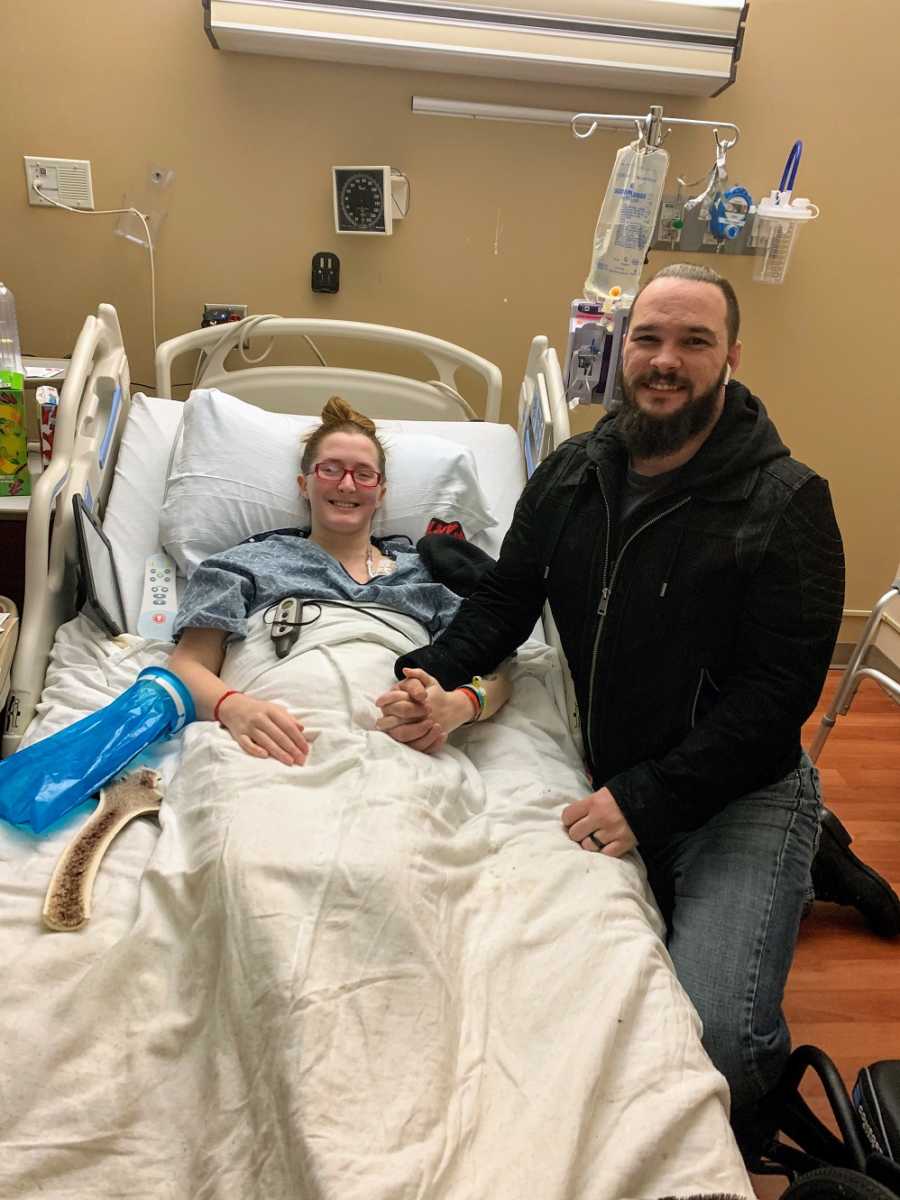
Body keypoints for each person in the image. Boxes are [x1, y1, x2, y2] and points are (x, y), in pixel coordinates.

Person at [383, 262, 852, 1156]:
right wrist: (426, 674)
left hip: (738, 795)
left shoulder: (786, 503)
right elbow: (503, 602)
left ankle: (805, 849)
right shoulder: (570, 476)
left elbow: (776, 701)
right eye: (648, 338)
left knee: (714, 1037)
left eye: (693, 341)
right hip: (613, 770)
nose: (665, 360)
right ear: (619, 350)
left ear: (732, 358)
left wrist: (646, 801)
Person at [169, 396, 510, 758]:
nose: (347, 485)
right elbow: (186, 664)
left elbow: (500, 674)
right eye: (330, 470)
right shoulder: (243, 564)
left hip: (396, 747)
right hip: (270, 741)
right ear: (304, 484)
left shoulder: (429, 572)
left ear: (381, 492)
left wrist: (463, 704)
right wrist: (235, 708)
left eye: (363, 474)